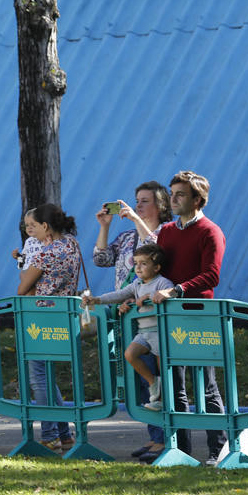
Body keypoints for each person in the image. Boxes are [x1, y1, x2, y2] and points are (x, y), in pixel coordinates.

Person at [150, 170, 227, 464]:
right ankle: (181, 452)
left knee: (207, 386)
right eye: (172, 193)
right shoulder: (167, 231)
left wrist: (178, 290)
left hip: (199, 316)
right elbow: (156, 271)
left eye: (180, 194)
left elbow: (212, 275)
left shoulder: (210, 231)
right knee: (175, 386)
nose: (174, 199)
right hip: (169, 318)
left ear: (198, 199)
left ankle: (217, 450)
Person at [92, 181, 172, 460]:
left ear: (161, 205)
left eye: (145, 201)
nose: (137, 205)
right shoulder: (127, 237)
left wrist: (138, 220)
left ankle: (165, 439)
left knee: (157, 374)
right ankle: (154, 437)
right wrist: (104, 226)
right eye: (136, 200)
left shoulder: (165, 232)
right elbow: (101, 259)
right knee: (142, 378)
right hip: (129, 314)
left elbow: (154, 246)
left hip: (152, 318)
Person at [83, 243, 173, 412]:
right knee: (130, 354)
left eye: (144, 263)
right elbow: (120, 294)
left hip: (159, 332)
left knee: (165, 369)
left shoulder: (161, 282)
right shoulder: (137, 284)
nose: (138, 268)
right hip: (143, 332)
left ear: (157, 267)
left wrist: (149, 296)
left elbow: (170, 293)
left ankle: (163, 399)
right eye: (136, 263)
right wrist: (98, 300)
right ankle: (154, 383)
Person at [19, 203, 78, 452]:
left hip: (40, 316)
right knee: (48, 375)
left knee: (39, 377)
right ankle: (64, 434)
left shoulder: (46, 252)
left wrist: (25, 266)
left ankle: (49, 433)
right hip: (63, 315)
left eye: (34, 226)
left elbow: (22, 288)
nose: (30, 232)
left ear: (45, 226)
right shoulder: (72, 244)